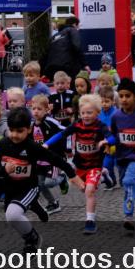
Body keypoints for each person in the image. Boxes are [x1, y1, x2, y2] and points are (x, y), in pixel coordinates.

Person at [0, 107, 82, 254]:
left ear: (28, 130)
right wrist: (5, 170)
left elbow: (55, 159)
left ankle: (32, 239)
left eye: (20, 131)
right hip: (9, 187)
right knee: (2, 212)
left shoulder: (32, 147)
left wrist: (73, 176)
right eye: (12, 130)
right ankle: (31, 214)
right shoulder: (2, 144)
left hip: (28, 187)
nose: (15, 135)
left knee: (13, 214)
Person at [45, 94, 116, 235]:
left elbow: (113, 138)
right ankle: (104, 176)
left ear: (97, 112)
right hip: (80, 165)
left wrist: (106, 141)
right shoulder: (77, 124)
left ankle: (90, 221)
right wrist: (47, 144)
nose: (86, 116)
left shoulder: (100, 126)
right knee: (82, 187)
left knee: (89, 190)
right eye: (83, 113)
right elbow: (61, 134)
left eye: (89, 113)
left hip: (95, 164)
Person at [110, 78, 135, 232]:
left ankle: (128, 215)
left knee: (128, 181)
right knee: (125, 183)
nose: (124, 99)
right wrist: (107, 144)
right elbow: (114, 134)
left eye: (128, 96)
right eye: (121, 96)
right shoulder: (116, 116)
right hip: (121, 156)